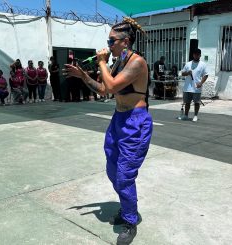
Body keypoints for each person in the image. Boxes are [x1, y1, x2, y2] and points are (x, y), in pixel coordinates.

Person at [64, 17, 153, 245]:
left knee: (124, 176)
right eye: (108, 40)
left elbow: (111, 86)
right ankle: (126, 208)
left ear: (126, 41)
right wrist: (83, 76)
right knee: (112, 169)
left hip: (135, 123)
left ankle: (130, 221)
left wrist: (102, 62)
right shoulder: (118, 63)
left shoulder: (137, 62)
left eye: (111, 41)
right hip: (118, 120)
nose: (108, 45)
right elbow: (104, 91)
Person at [179, 48, 208, 122]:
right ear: (193, 55)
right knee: (187, 102)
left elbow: (206, 75)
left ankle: (195, 116)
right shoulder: (188, 64)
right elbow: (182, 73)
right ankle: (186, 115)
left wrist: (201, 83)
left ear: (200, 55)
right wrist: (187, 73)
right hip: (187, 87)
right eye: (195, 54)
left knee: (196, 103)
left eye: (197, 54)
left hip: (196, 87)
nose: (196, 55)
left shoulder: (203, 65)